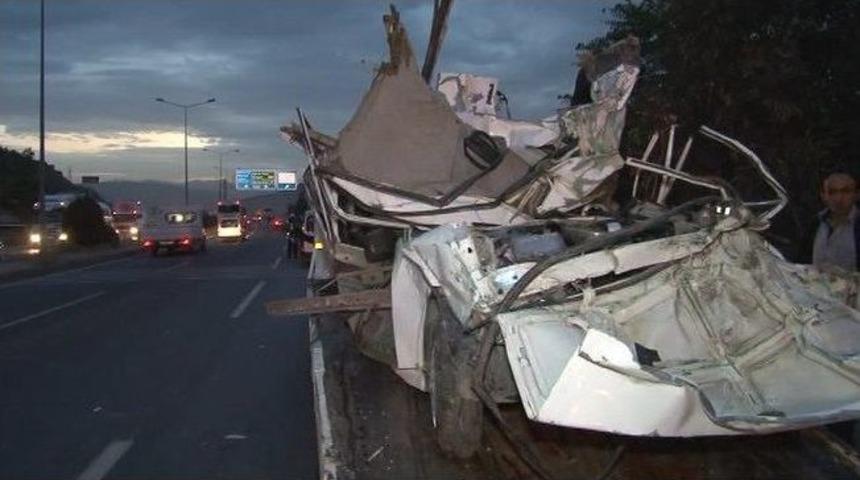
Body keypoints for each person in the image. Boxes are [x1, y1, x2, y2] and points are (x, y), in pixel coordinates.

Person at [799, 172, 859, 271]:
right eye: (832, 192)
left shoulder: (857, 225)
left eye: (846, 191)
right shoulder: (814, 225)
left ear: (856, 194)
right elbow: (801, 263)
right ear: (823, 196)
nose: (839, 198)